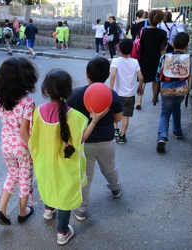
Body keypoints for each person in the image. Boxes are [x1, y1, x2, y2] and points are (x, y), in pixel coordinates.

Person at [29, 68, 108, 246]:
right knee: (64, 196)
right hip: (66, 166)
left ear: (45, 89)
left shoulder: (38, 112)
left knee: (49, 185)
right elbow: (81, 139)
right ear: (68, 90)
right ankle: (62, 232)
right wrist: (95, 120)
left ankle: (48, 209)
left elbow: (34, 141)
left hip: (46, 164)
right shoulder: (77, 117)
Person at [66, 57, 122, 221]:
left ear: (87, 74)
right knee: (110, 168)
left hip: (84, 142)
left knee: (85, 176)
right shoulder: (112, 94)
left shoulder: (75, 94)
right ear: (106, 75)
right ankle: (116, 189)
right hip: (107, 140)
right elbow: (118, 118)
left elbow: (68, 118)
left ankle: (81, 209)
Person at [0, 57, 39, 226]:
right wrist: (33, 150)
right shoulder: (27, 102)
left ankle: (2, 209)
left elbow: (0, 116)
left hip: (6, 143)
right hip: (22, 146)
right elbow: (24, 131)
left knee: (12, 175)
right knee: (25, 178)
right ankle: (22, 211)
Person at [155, 32, 192, 152]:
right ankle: (177, 132)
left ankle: (162, 138)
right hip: (181, 90)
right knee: (176, 108)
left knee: (165, 113)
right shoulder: (190, 59)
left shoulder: (164, 58)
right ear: (187, 45)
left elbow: (158, 76)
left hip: (166, 90)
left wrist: (156, 90)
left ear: (173, 44)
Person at [109, 39, 144, 144]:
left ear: (119, 49)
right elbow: (141, 78)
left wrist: (111, 90)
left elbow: (113, 75)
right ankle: (122, 136)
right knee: (126, 116)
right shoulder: (135, 62)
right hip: (129, 94)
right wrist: (140, 87)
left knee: (115, 112)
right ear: (131, 49)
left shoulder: (116, 61)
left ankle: (115, 129)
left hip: (116, 93)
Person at [136, 9, 167, 109]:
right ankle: (154, 98)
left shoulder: (142, 31)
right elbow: (162, 50)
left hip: (144, 58)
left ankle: (139, 100)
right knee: (155, 80)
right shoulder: (163, 33)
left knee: (143, 80)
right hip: (156, 59)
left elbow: (138, 45)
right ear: (160, 20)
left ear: (149, 19)